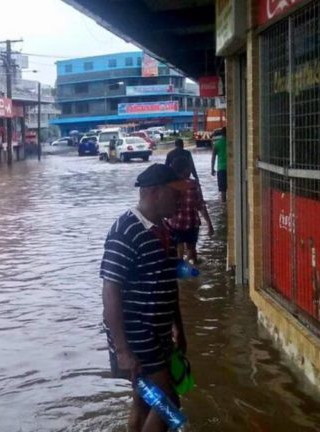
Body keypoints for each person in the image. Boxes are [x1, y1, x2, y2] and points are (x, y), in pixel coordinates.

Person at [100, 163, 188, 432]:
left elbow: (168, 284)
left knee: (143, 399)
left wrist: (178, 328)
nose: (181, 200)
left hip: (159, 333)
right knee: (168, 403)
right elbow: (110, 292)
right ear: (153, 192)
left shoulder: (164, 232)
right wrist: (123, 350)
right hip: (138, 335)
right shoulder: (125, 231)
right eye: (175, 193)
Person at [168, 156, 214, 263]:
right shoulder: (193, 185)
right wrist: (209, 224)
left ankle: (182, 274)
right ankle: (193, 272)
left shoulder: (171, 185)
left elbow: (166, 207)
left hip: (175, 224)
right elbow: (201, 206)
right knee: (192, 250)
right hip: (192, 224)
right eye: (189, 168)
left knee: (178, 249)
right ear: (185, 169)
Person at [211, 127, 228, 202]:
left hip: (221, 169)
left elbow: (213, 158)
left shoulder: (217, 144)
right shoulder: (232, 143)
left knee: (223, 190)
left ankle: (224, 206)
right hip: (232, 168)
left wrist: (212, 169)